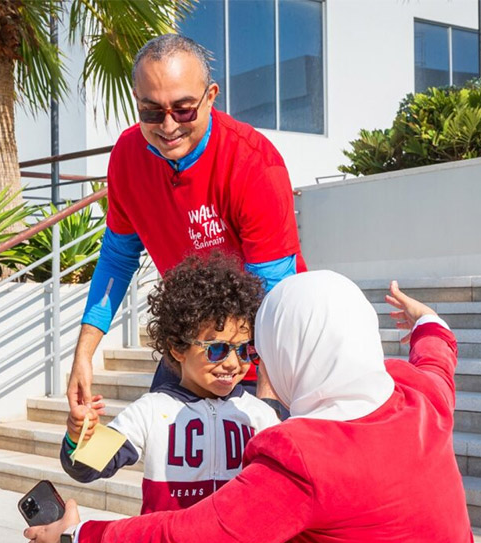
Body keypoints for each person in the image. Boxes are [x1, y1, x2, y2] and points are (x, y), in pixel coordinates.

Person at [26, 272, 481, 543]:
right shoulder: (421, 397)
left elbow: (193, 541)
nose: (241, 364)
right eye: (216, 349)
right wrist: (428, 322)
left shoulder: (298, 449)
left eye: (252, 350)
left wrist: (77, 542)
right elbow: (437, 362)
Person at [68, 33, 305, 421]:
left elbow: (274, 294)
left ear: (211, 97)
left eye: (183, 109)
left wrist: (268, 405)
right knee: (171, 464)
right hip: (191, 345)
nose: (167, 126)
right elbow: (116, 258)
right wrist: (84, 355)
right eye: (151, 111)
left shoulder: (253, 162)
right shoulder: (127, 158)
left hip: (259, 351)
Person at [60, 254, 281, 543]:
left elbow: (276, 499)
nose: (234, 364)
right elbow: (86, 468)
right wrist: (78, 436)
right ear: (177, 347)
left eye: (244, 350)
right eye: (217, 349)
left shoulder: (259, 416)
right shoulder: (151, 410)